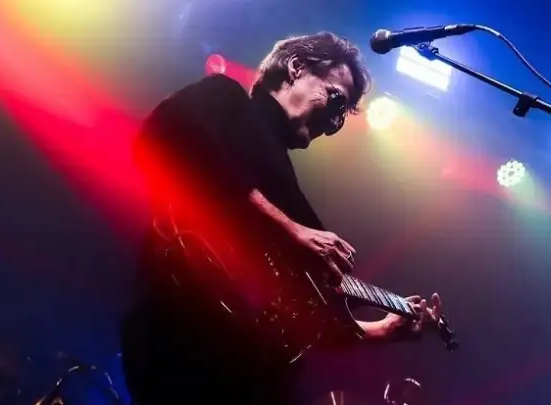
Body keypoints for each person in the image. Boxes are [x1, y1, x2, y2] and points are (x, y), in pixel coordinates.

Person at [121, 32, 443, 405]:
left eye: (342, 115)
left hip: (244, 372)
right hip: (177, 339)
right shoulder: (226, 98)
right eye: (336, 99)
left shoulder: (290, 189)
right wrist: (289, 229)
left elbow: (308, 321)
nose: (335, 121)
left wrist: (382, 330)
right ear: (296, 68)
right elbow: (163, 134)